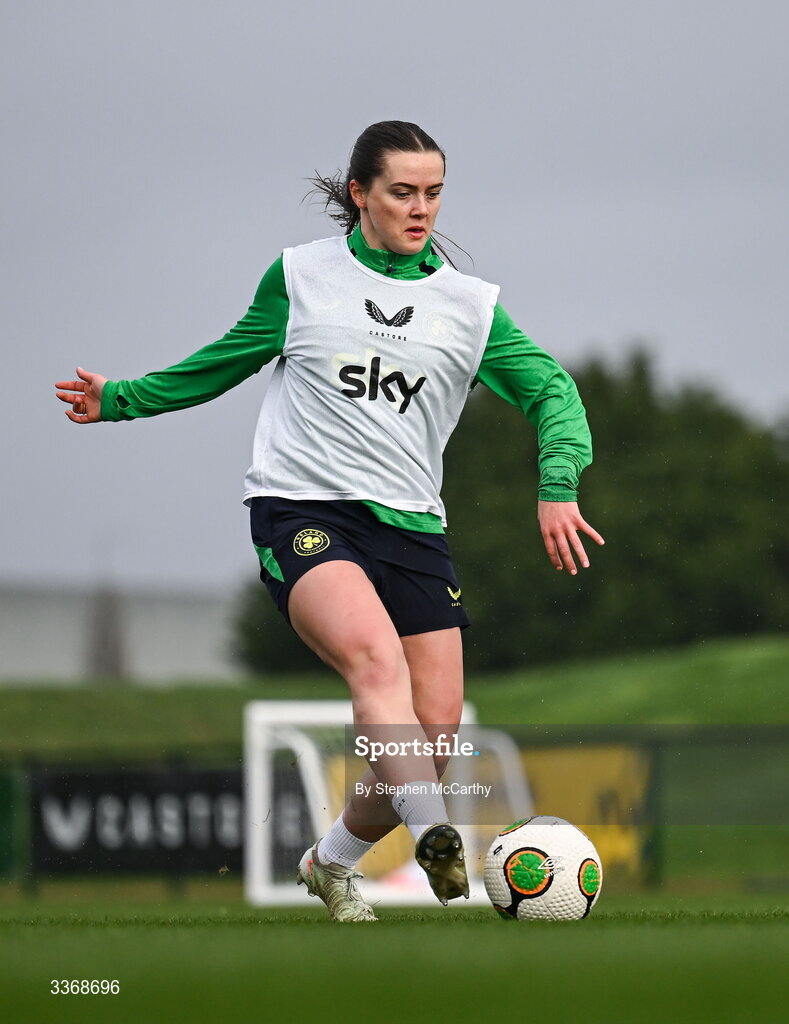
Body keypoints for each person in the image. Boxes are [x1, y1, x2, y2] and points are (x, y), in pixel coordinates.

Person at [55, 120, 603, 922]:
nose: (421, 209)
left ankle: (329, 862)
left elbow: (552, 391)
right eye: (402, 192)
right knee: (375, 666)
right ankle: (437, 844)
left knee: (434, 734)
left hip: (412, 528)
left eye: (434, 192)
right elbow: (226, 358)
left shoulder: (468, 306)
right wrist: (124, 399)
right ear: (359, 193)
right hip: (302, 511)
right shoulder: (301, 277)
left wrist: (558, 483)